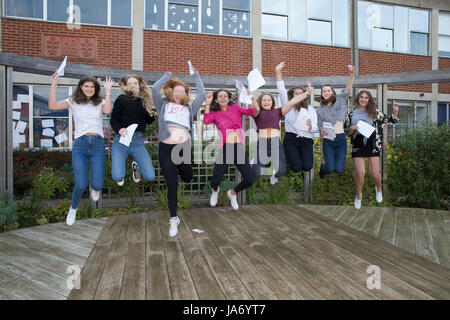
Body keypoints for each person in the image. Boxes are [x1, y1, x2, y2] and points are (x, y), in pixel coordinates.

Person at [49, 73, 113, 226]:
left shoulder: (100, 101)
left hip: (97, 144)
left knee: (97, 185)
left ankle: (95, 188)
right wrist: (54, 84)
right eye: (86, 86)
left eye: (92, 87)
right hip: (81, 145)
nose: (89, 89)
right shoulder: (73, 101)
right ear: (81, 87)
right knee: (81, 184)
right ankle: (73, 208)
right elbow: (53, 106)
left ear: (95, 88)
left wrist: (108, 92)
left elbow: (108, 111)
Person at [152, 70, 206, 237]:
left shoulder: (190, 107)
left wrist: (196, 76)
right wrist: (166, 77)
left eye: (182, 91)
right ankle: (174, 218)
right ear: (171, 92)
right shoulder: (163, 104)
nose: (179, 92)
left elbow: (202, 94)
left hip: (183, 149)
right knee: (172, 184)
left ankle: (184, 173)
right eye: (177, 90)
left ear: (185, 94)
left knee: (188, 177)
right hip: (166, 149)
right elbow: (154, 88)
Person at [252, 70, 312, 184]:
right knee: (256, 173)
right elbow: (254, 105)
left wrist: (307, 93)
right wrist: (250, 95)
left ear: (272, 101)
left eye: (268, 100)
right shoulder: (258, 113)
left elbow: (292, 102)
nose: (266, 102)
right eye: (264, 100)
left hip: (275, 142)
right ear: (261, 102)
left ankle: (274, 177)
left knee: (282, 171)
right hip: (263, 143)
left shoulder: (278, 111)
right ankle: (252, 164)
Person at [204, 89, 257, 210]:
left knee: (249, 180)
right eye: (220, 96)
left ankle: (232, 193)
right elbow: (206, 120)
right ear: (216, 100)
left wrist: (251, 98)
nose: (223, 98)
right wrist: (207, 103)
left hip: (238, 146)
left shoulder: (236, 108)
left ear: (228, 99)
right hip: (226, 147)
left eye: (225, 96)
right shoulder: (215, 113)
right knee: (215, 180)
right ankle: (215, 191)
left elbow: (251, 111)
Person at [345, 91, 399, 209]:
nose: (364, 100)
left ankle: (378, 189)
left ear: (369, 100)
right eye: (361, 97)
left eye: (366, 98)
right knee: (360, 173)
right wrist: (351, 129)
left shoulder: (376, 112)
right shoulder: (351, 115)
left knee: (374, 173)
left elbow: (392, 121)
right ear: (357, 99)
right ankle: (358, 196)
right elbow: (347, 133)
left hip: (373, 143)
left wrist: (395, 111)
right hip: (358, 143)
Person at [110, 75, 155, 186]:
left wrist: (150, 115)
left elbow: (149, 121)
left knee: (150, 176)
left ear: (139, 85)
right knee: (117, 176)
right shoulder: (121, 99)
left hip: (137, 142)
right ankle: (119, 175)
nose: (133, 85)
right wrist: (119, 129)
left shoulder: (144, 101)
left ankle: (137, 167)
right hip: (122, 141)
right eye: (130, 83)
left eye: (135, 83)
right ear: (126, 86)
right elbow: (113, 120)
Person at [276, 62, 317, 173]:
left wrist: (310, 126)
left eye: (301, 93)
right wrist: (278, 72)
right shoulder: (288, 105)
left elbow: (315, 127)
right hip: (291, 139)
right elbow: (281, 89)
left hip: (306, 139)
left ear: (305, 95)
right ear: (292, 96)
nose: (299, 95)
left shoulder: (310, 109)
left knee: (308, 167)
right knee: (296, 168)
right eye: (296, 93)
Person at [316, 65, 356, 179]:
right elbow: (319, 125)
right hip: (328, 140)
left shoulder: (339, 100)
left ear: (333, 92)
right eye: (324, 91)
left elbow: (348, 88)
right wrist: (321, 130)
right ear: (322, 94)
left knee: (339, 169)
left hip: (341, 138)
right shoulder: (319, 109)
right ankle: (323, 169)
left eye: (328, 90)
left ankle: (327, 168)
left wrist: (352, 74)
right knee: (329, 168)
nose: (326, 92)